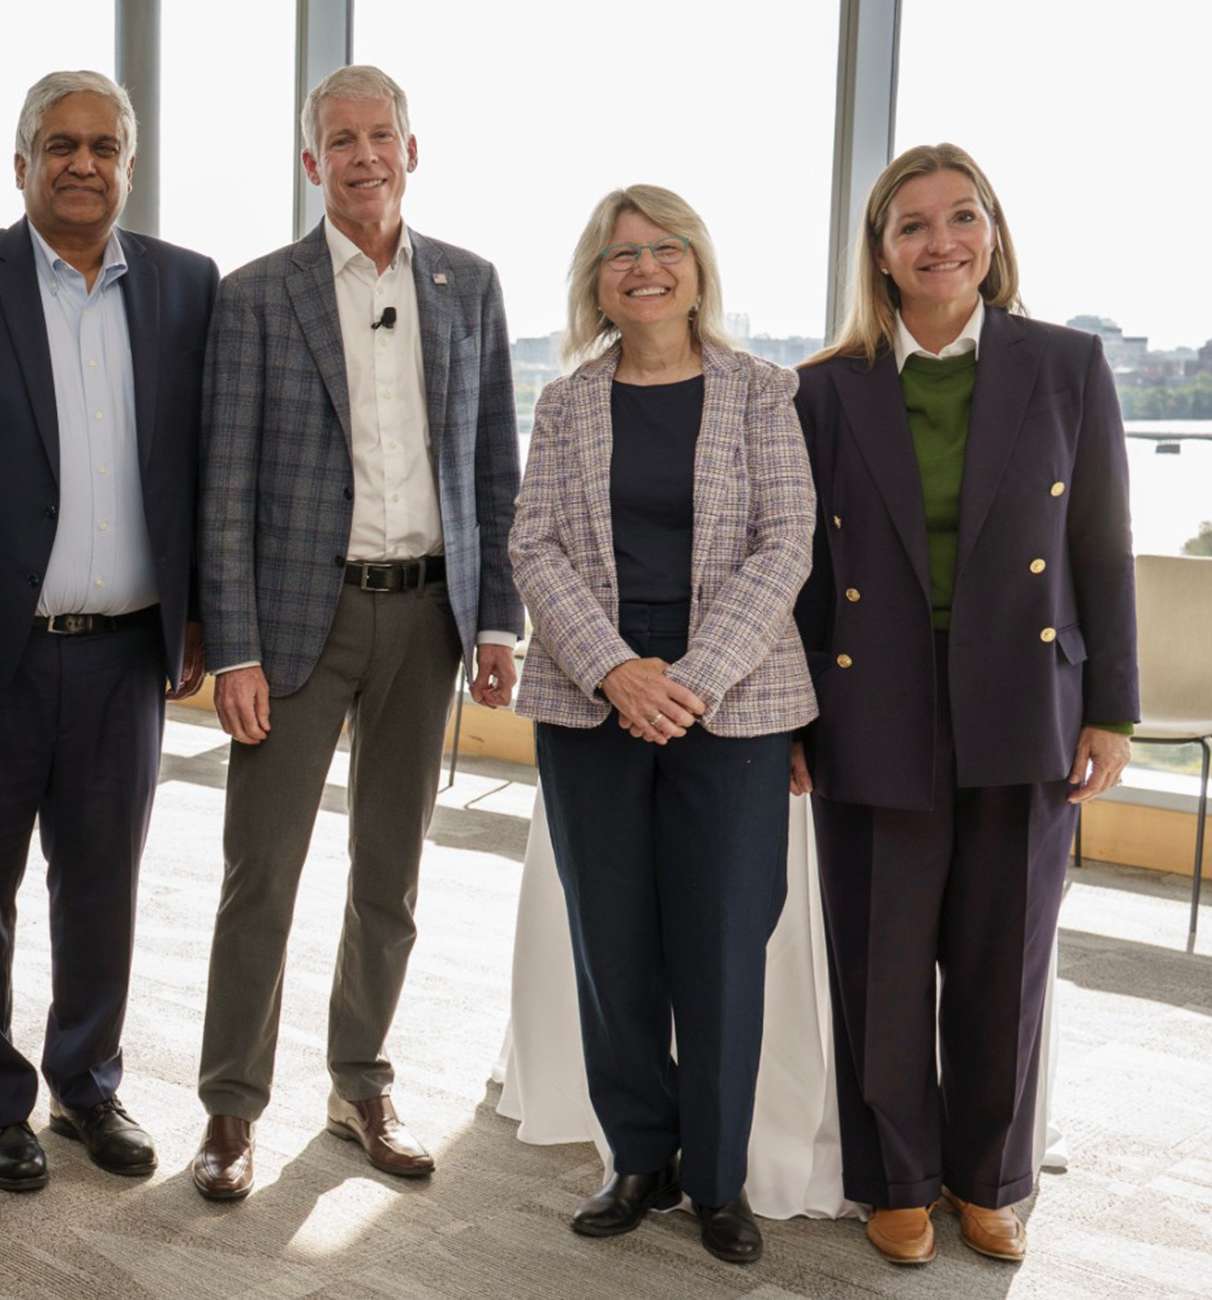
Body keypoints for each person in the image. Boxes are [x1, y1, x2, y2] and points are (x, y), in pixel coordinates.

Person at [792, 142, 1136, 1267]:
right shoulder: (824, 387)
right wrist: (793, 719)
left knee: (1005, 953)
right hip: (870, 700)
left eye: (962, 217)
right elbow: (798, 566)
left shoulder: (1066, 364)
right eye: (913, 226)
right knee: (883, 953)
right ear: (879, 257)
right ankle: (893, 1176)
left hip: (1023, 699)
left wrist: (1112, 710)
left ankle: (986, 1180)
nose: (942, 242)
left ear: (992, 230)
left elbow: (1100, 547)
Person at [191, 63, 522, 1200]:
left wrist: (497, 619)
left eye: (381, 135)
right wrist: (230, 645)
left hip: (429, 616)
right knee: (261, 875)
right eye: (341, 139)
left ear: (411, 151)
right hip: (294, 625)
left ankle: (358, 1079)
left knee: (391, 870)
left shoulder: (468, 285)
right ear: (311, 162)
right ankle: (230, 1108)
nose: (364, 155)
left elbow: (492, 465)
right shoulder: (254, 295)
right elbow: (221, 488)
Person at [0, 70, 218, 1194]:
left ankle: (87, 1083)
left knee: (103, 881)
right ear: (20, 161)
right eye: (59, 144)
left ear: (128, 162)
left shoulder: (186, 286)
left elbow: (202, 469)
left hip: (128, 649)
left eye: (104, 146)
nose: (83, 163)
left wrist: (202, 619)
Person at [509, 185, 817, 1263]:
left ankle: (718, 1179)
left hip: (728, 704)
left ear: (697, 264)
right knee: (613, 942)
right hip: (593, 698)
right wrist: (617, 672)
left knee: (723, 940)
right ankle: (636, 1155)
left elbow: (786, 544)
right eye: (618, 253)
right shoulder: (565, 403)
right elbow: (533, 545)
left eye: (663, 247)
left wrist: (688, 679)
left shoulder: (760, 390)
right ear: (594, 281)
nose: (642, 267)